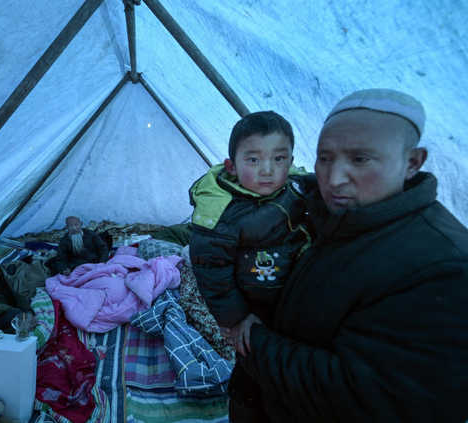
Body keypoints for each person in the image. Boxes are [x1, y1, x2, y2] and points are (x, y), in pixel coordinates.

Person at [235, 89, 468, 422]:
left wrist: (253, 341)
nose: (333, 177)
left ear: (412, 163)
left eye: (360, 159)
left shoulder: (445, 267)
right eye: (325, 157)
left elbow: (365, 399)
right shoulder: (324, 216)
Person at [189, 111, 317, 422]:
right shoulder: (221, 213)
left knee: (289, 374)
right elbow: (211, 270)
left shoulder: (298, 188)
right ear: (232, 166)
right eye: (254, 160)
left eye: (279, 158)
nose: (268, 171)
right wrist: (235, 318)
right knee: (252, 370)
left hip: (295, 299)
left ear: (291, 160)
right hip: (255, 311)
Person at [0, 251, 34, 334]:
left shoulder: (0, 282)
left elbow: (17, 297)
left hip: (4, 321)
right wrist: (20, 326)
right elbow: (0, 309)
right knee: (16, 315)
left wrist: (28, 313)